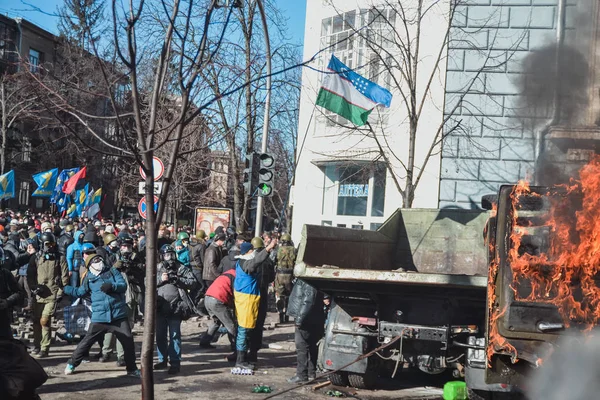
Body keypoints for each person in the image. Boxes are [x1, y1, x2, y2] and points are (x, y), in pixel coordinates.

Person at [63, 254, 141, 377]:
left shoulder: (112, 271)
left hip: (118, 315)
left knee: (128, 342)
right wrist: (65, 289)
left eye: (100, 259)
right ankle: (72, 363)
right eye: (95, 260)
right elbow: (80, 292)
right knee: (86, 341)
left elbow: (123, 286)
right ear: (89, 265)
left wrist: (112, 286)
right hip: (100, 317)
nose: (98, 262)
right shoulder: (88, 278)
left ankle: (132, 369)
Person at [233, 238, 276, 370]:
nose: (253, 253)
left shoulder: (242, 261)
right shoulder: (245, 263)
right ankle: (240, 360)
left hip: (249, 299)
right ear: (247, 252)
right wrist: (268, 249)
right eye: (251, 251)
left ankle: (243, 358)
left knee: (247, 329)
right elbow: (254, 264)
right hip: (246, 300)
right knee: (244, 330)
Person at [27, 232, 69, 358]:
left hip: (53, 294)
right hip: (38, 295)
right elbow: (30, 275)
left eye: (52, 244)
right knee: (36, 321)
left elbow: (65, 277)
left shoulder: (60, 258)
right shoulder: (35, 257)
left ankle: (45, 348)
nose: (50, 247)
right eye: (47, 244)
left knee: (45, 321)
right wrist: (34, 288)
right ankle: (37, 345)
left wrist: (60, 292)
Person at [155, 245, 195, 374]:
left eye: (172, 255)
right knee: (160, 336)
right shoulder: (157, 268)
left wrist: (178, 279)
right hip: (159, 307)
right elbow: (146, 282)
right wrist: (160, 279)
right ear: (162, 256)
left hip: (176, 307)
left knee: (175, 336)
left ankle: (175, 362)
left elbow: (193, 282)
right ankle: (162, 359)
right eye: (167, 255)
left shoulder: (181, 267)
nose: (170, 258)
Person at [286, 278, 325, 383]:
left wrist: (299, 320)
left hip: (306, 319)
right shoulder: (311, 280)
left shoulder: (308, 281)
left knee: (302, 346)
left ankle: (301, 375)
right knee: (312, 346)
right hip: (312, 318)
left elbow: (308, 301)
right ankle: (311, 373)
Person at [248, 236, 277, 364]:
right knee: (259, 324)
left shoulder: (251, 259)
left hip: (250, 294)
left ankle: (243, 351)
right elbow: (271, 278)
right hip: (263, 293)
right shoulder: (268, 261)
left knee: (247, 322)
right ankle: (254, 352)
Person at [199, 265, 237, 355]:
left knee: (216, 321)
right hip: (217, 300)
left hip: (208, 298)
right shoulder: (235, 276)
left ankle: (205, 341)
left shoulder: (226, 274)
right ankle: (235, 345)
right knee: (230, 324)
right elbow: (236, 294)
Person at [274, 233, 296, 323]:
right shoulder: (294, 250)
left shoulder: (278, 249)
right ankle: (287, 313)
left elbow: (273, 259)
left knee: (280, 295)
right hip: (290, 275)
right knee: (289, 296)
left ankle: (280, 314)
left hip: (279, 275)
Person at [188, 230, 207, 305]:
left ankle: (191, 302)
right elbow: (203, 258)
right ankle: (194, 303)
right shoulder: (201, 245)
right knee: (201, 286)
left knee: (194, 286)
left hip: (191, 266)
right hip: (198, 267)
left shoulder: (191, 244)